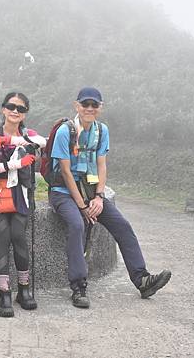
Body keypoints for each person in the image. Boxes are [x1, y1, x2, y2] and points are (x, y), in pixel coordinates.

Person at [48, 87, 171, 308]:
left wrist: (98, 198)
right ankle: (78, 287)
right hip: (63, 193)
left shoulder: (101, 131)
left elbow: (101, 165)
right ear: (77, 106)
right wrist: (82, 206)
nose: (89, 108)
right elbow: (66, 173)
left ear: (100, 108)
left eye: (94, 105)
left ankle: (142, 279)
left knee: (122, 226)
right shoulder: (65, 132)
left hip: (90, 192)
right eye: (85, 104)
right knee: (77, 224)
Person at [0, 92, 47, 317]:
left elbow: (42, 142)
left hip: (21, 195)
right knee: (4, 235)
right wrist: (16, 163)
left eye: (21, 108)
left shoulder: (30, 135)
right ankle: (4, 293)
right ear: (3, 109)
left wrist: (11, 141)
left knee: (18, 234)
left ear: (25, 113)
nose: (15, 111)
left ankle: (24, 289)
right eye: (11, 106)